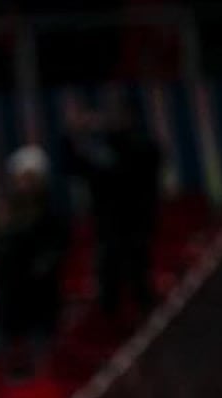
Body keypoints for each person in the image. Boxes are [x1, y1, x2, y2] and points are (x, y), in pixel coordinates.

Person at [63, 96, 163, 318]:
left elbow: (124, 171)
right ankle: (110, 322)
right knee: (109, 283)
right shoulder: (102, 148)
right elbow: (75, 168)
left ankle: (144, 316)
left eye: (118, 115)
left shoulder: (142, 146)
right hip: (107, 228)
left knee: (138, 278)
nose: (111, 120)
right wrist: (75, 136)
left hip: (136, 225)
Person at [0, 146, 69, 374]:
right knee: (0, 359)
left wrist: (39, 267)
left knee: (44, 361)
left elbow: (56, 249)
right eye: (20, 178)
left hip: (39, 299)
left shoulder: (51, 213)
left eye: (30, 178)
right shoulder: (5, 213)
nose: (24, 184)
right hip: (8, 298)